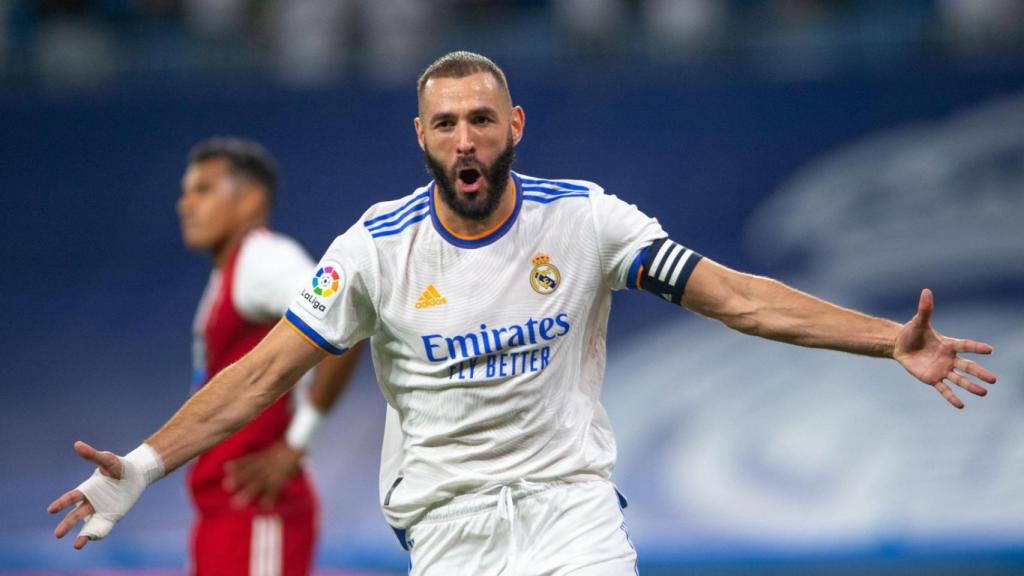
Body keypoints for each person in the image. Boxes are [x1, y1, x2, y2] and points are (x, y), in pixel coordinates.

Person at [49, 54, 997, 575]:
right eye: (447, 122)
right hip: (450, 530)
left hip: (570, 517)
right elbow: (259, 375)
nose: (467, 137)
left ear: (516, 127)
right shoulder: (375, 248)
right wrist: (140, 467)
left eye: (483, 118)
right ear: (421, 137)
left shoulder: (585, 220)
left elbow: (738, 297)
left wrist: (888, 340)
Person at [139, 138, 363, 575]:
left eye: (203, 189)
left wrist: (295, 446)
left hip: (259, 510)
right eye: (186, 192)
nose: (185, 204)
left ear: (251, 198)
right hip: (226, 510)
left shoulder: (264, 259)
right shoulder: (232, 271)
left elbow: (345, 321)